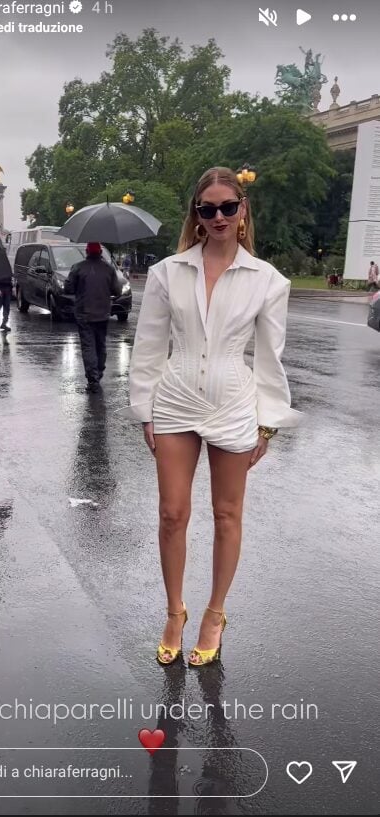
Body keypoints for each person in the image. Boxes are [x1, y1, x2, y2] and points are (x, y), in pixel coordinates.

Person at [120, 166, 301, 667]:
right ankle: (174, 610)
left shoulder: (268, 281)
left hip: (234, 403)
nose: (218, 216)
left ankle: (215, 613)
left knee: (227, 514)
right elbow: (149, 346)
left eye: (227, 207)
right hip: (175, 399)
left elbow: (270, 359)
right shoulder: (168, 273)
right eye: (208, 208)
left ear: (242, 210)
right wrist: (144, 409)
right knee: (172, 513)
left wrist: (268, 422)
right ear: (196, 215)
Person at [64, 242, 122, 392]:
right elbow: (118, 291)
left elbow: (68, 288)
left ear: (87, 252)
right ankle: (98, 373)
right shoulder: (109, 269)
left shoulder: (78, 268)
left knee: (88, 346)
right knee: (101, 345)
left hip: (84, 314)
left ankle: (93, 380)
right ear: (101, 252)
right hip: (103, 313)